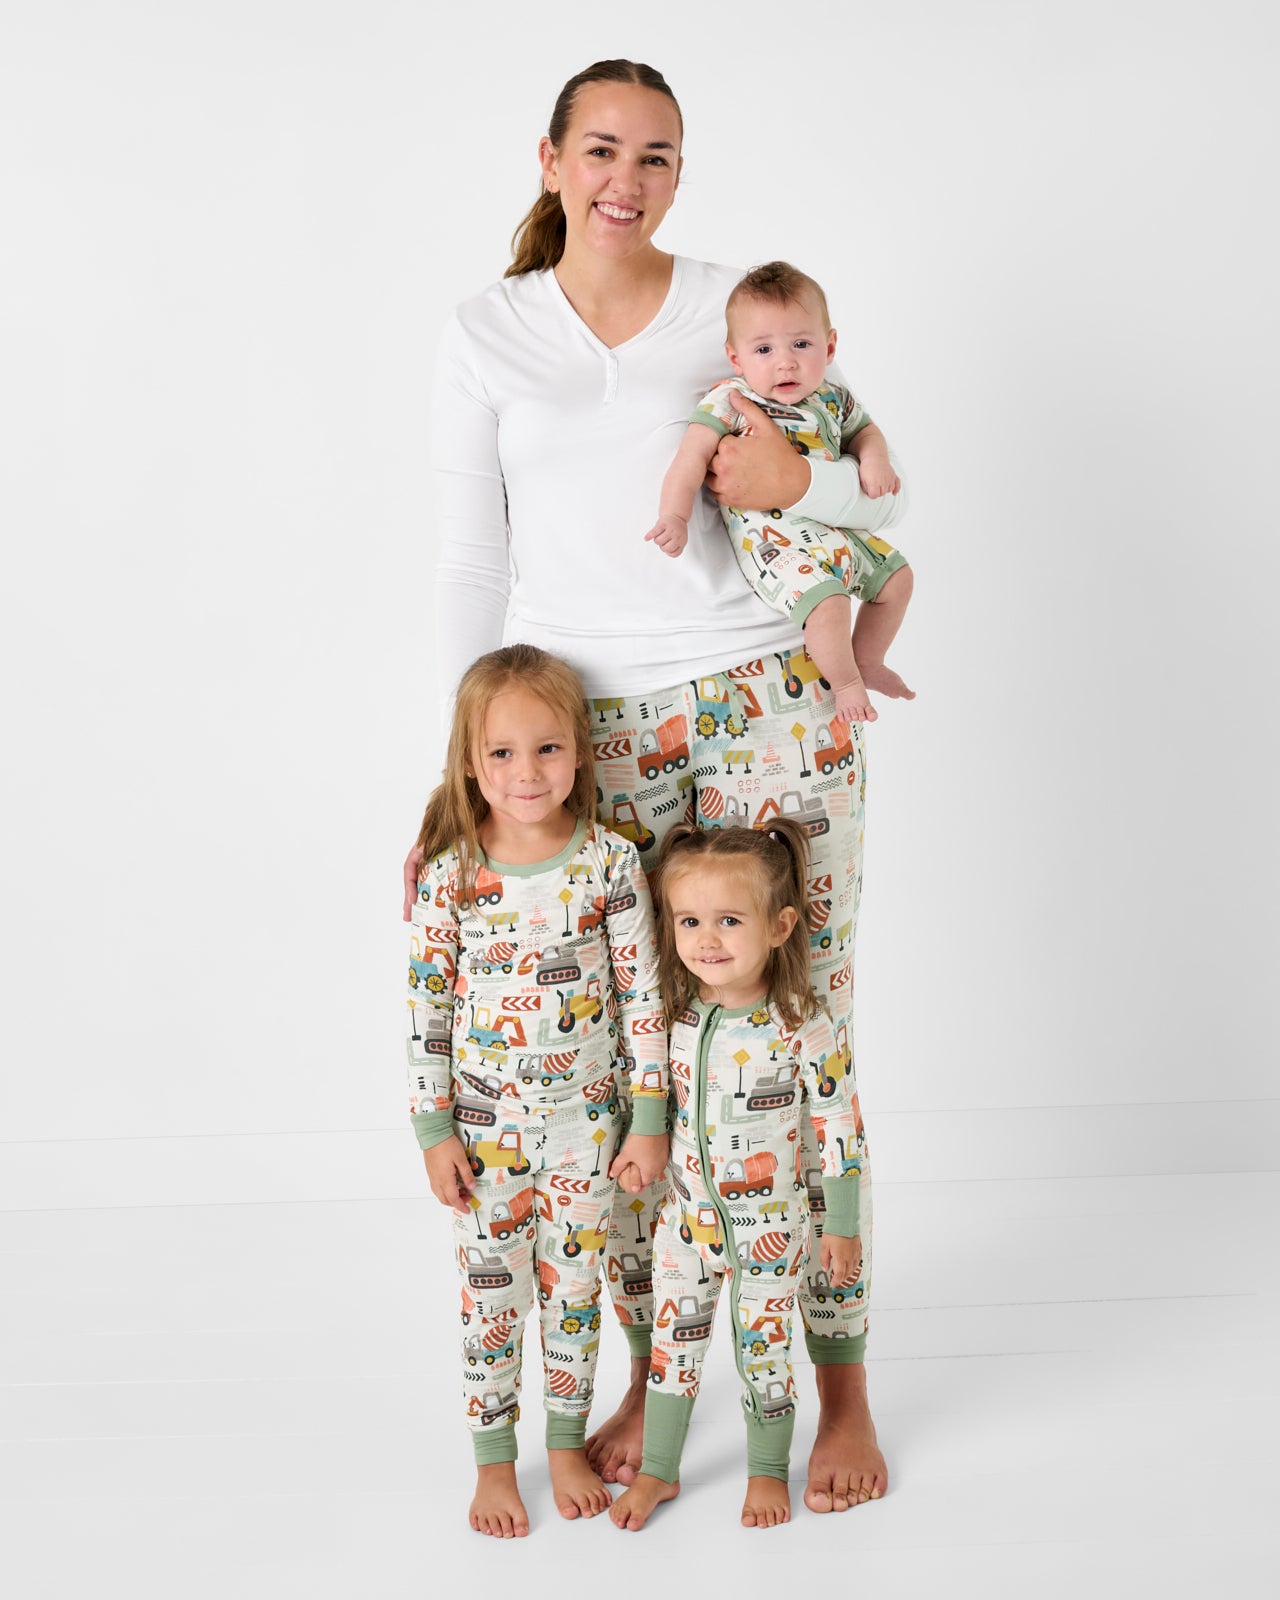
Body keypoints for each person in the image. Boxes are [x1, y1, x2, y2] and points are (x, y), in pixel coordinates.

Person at [409, 57, 907, 1514]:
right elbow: (472, 560)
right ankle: (657, 1375)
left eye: (659, 157)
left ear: (681, 174)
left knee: (801, 1039)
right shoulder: (486, 331)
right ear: (551, 158)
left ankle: (842, 1388)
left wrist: (793, 489)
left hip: (770, 702)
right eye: (603, 150)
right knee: (640, 1067)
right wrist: (458, 773)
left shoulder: (729, 307)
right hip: (593, 737)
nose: (627, 181)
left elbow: (869, 489)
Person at [408, 644, 670, 1537]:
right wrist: (434, 1131)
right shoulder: (451, 874)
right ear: (470, 762)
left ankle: (564, 1443)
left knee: (575, 1290)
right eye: (503, 753)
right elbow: (427, 1011)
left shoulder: (609, 863)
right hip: (485, 1142)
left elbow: (643, 999)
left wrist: (647, 1121)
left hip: (590, 1134)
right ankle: (493, 1462)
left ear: (581, 751)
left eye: (548, 748)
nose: (528, 772)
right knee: (492, 1301)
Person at [609, 819, 865, 1531]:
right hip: (685, 1228)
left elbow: (839, 1125)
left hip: (770, 1236)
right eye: (689, 921)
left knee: (764, 1358)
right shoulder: (677, 1019)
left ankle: (766, 1472)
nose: (706, 939)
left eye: (729, 920)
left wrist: (841, 1225)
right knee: (672, 1355)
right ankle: (659, 1472)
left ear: (780, 927)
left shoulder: (802, 1024)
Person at [645, 259, 915, 725]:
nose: (785, 361)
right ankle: (845, 683)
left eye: (801, 344)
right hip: (776, 546)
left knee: (898, 579)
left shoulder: (833, 397)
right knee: (828, 604)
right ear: (736, 358)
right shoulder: (731, 400)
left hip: (836, 531)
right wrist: (675, 515)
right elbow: (689, 460)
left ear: (830, 346)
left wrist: (873, 459)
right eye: (764, 349)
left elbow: (865, 433)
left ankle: (868, 659)